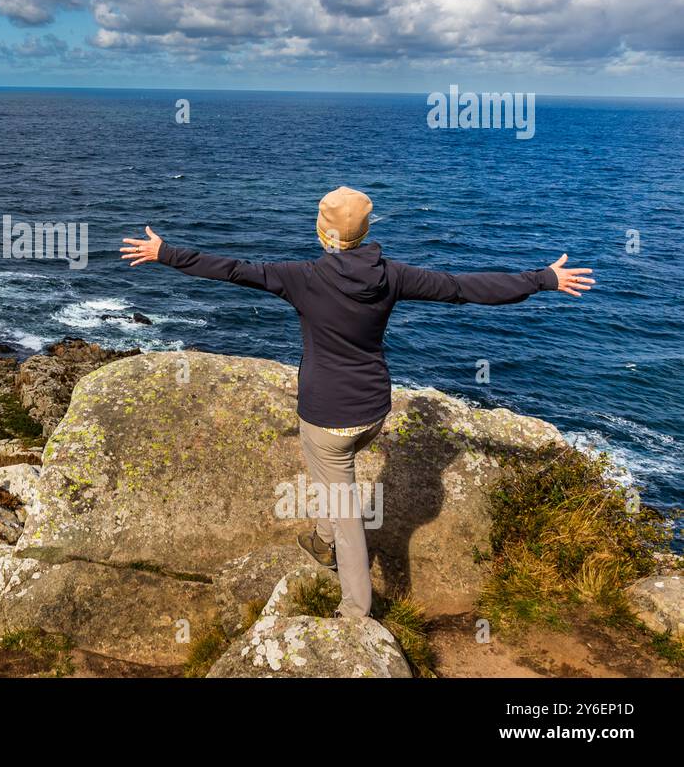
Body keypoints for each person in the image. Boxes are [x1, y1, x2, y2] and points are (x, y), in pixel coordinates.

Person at [119, 185, 594, 620]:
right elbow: (462, 287)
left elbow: (233, 270)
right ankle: (323, 539)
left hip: (326, 418)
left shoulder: (300, 277)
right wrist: (543, 279)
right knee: (332, 482)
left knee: (346, 513)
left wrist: (164, 252)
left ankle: (356, 611)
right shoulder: (392, 276)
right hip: (373, 412)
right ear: (365, 232)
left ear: (322, 232)